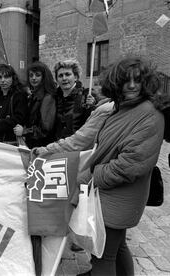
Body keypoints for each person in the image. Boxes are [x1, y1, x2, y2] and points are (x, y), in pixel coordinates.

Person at [80, 57, 165, 276]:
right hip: (115, 194)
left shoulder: (149, 114)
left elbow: (129, 165)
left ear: (146, 82)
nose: (132, 85)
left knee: (102, 255)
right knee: (116, 249)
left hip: (118, 194)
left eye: (138, 80)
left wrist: (94, 175)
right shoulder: (124, 108)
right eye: (126, 80)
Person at [13, 62, 57, 148]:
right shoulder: (33, 96)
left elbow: (46, 129)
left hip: (42, 146)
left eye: (37, 75)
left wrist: (24, 131)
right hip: (33, 144)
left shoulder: (47, 98)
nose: (33, 78)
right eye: (31, 75)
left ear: (44, 77)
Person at [0, 64, 28, 143]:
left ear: (12, 78)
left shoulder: (19, 95)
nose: (3, 80)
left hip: (10, 142)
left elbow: (19, 120)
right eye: (0, 77)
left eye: (6, 77)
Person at [53, 60, 96, 140]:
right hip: (57, 146)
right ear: (57, 79)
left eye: (68, 74)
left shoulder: (86, 96)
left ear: (75, 77)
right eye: (60, 76)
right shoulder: (54, 98)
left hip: (77, 146)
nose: (64, 78)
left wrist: (92, 107)